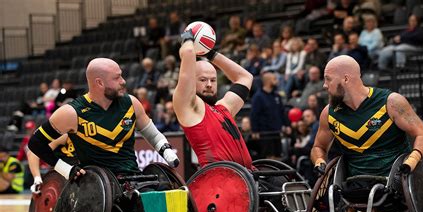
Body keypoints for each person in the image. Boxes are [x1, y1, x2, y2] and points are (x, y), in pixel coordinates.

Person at [28, 57, 179, 181]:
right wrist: (66, 169)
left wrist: (166, 150)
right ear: (99, 83)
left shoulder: (131, 103)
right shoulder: (71, 113)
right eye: (117, 77)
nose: (123, 81)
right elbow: (35, 143)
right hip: (97, 186)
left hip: (133, 178)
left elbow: (152, 135)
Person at [311, 54, 423, 179]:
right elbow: (318, 147)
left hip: (397, 179)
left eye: (328, 79)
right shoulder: (329, 113)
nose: (324, 85)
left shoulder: (391, 102)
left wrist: (412, 160)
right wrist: (319, 160)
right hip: (355, 185)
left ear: (346, 79)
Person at [173, 29, 254, 169]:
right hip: (219, 181)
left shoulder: (223, 107)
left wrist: (210, 53)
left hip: (247, 178)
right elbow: (188, 53)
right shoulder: (188, 106)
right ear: (192, 81)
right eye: (203, 80)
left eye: (213, 80)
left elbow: (245, 78)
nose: (209, 85)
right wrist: (188, 38)